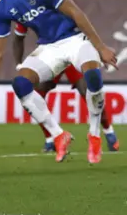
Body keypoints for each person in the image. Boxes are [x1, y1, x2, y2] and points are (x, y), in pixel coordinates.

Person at [0, 0, 117, 164]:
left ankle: (95, 133)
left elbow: (75, 12)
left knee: (92, 77)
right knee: (21, 84)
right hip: (49, 48)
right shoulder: (2, 8)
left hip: (74, 39)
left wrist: (101, 47)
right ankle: (58, 135)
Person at [13, 23, 119, 152]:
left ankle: (109, 132)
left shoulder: (62, 5)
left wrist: (98, 50)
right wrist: (19, 64)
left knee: (89, 92)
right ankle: (51, 138)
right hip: (51, 56)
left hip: (73, 53)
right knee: (36, 94)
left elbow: (83, 25)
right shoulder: (26, 9)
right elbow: (19, 37)